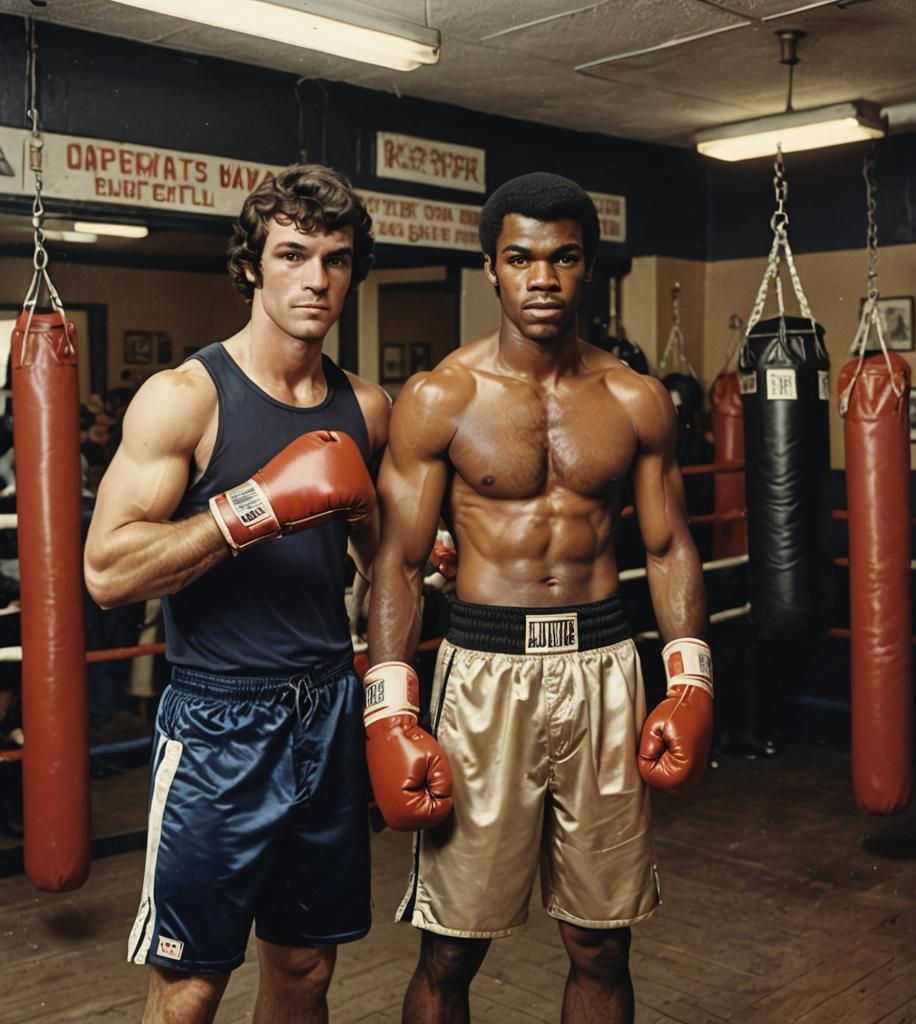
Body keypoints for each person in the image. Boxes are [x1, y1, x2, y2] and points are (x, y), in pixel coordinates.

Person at [365, 172, 713, 1024]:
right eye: (521, 259)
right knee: (451, 945)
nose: (543, 280)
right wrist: (388, 709)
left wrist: (691, 680)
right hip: (484, 672)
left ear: (588, 266)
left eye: (563, 259)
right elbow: (398, 563)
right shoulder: (442, 397)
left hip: (603, 667)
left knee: (603, 940)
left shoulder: (634, 398)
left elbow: (667, 544)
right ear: (491, 267)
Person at [83, 164, 390, 1024]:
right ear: (252, 265)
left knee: (305, 970)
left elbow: (387, 560)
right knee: (190, 988)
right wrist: (251, 509)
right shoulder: (185, 398)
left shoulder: (368, 407)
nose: (315, 279)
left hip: (327, 711)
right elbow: (106, 571)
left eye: (335, 259)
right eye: (291, 254)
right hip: (220, 721)